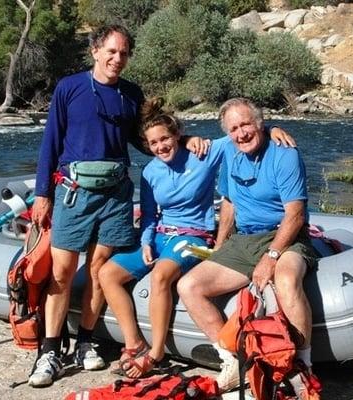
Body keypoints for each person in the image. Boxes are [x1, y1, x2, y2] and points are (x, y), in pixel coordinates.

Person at [28, 25, 207, 388]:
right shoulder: (69, 87)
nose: (117, 59)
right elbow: (50, 141)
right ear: (95, 50)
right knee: (62, 271)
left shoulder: (130, 94)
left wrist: (185, 141)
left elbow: (148, 140)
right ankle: (49, 351)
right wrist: (43, 194)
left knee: (97, 269)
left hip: (116, 196)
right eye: (111, 51)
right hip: (73, 193)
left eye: (124, 53)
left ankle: (85, 343)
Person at [98, 98, 296, 379]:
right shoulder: (150, 171)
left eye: (165, 139)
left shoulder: (203, 154)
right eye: (153, 144)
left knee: (161, 275)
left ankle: (156, 353)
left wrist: (274, 127)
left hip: (193, 237)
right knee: (107, 274)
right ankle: (135, 344)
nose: (161, 147)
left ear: (177, 136)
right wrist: (145, 241)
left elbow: (240, 134)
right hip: (161, 236)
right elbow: (151, 215)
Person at [177, 98, 320, 396]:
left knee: (285, 279)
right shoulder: (230, 149)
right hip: (244, 240)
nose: (241, 133)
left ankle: (301, 365)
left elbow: (295, 215)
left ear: (260, 123)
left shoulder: (284, 153)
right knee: (189, 285)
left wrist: (271, 256)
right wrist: (219, 244)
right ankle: (233, 360)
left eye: (246, 125)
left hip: (286, 236)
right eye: (234, 128)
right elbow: (228, 203)